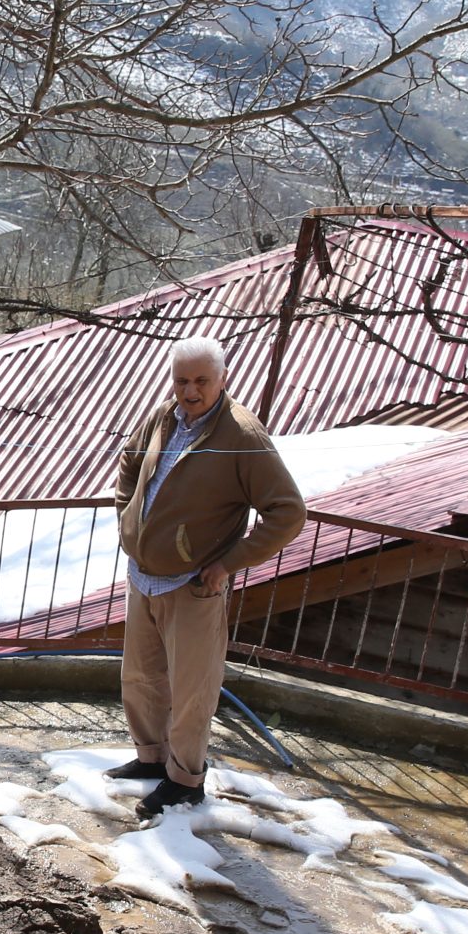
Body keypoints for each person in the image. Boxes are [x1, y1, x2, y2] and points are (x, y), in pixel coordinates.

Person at [110, 337, 306, 816]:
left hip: (193, 583)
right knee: (140, 676)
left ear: (223, 379)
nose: (190, 391)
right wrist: (128, 519)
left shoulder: (243, 436)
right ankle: (151, 759)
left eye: (201, 381)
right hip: (145, 574)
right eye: (182, 380)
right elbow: (130, 464)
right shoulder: (162, 416)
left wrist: (226, 564)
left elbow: (288, 512)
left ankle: (185, 781)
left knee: (193, 688)